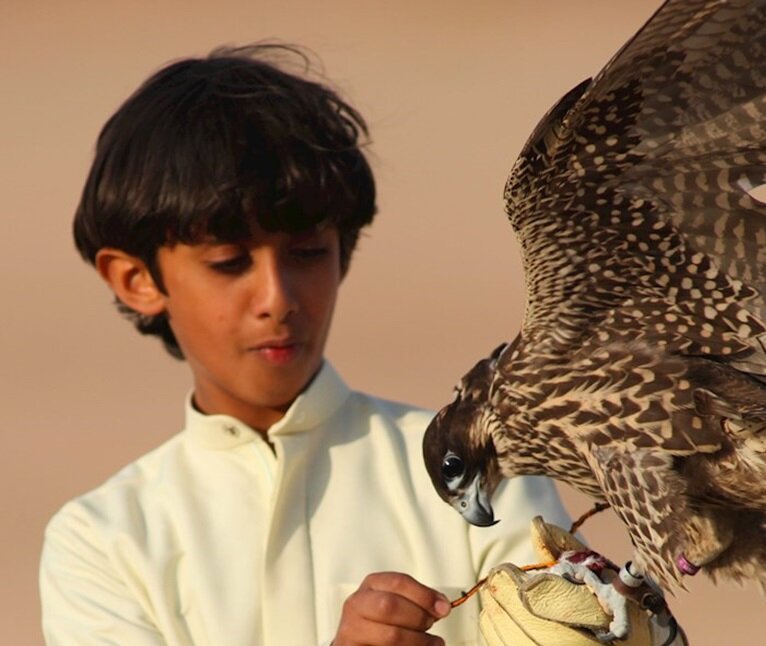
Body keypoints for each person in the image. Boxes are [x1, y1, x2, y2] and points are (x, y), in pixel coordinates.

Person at [40, 44, 572, 645]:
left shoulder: (478, 472)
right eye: (229, 261)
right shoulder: (107, 541)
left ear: (344, 251)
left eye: (307, 252)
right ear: (137, 280)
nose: (277, 296)